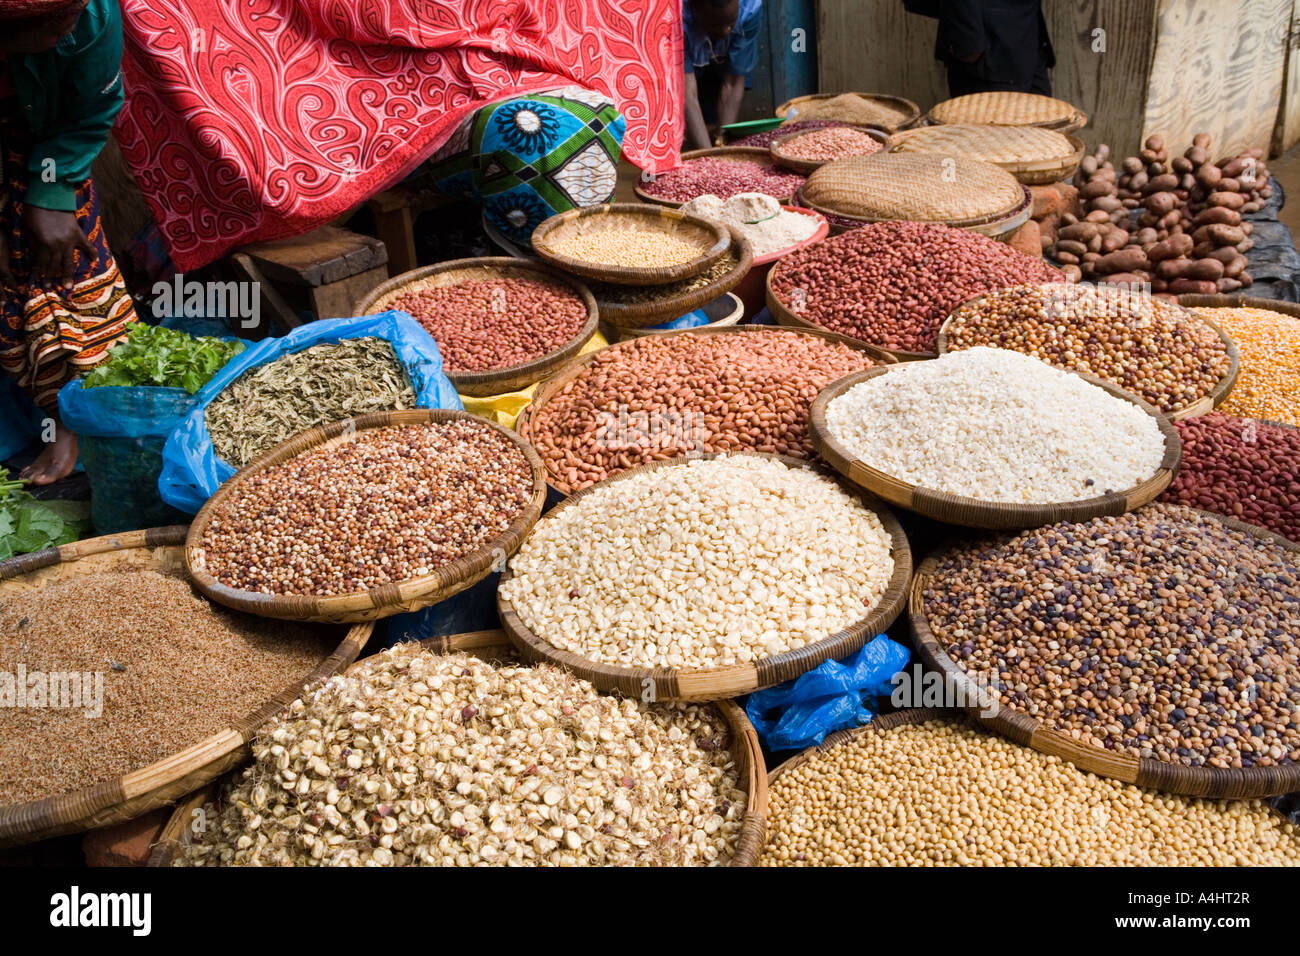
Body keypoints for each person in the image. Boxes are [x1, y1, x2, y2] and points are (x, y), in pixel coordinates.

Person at [0, 0, 137, 485]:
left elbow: (92, 109)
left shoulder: (91, 13)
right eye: (51, 27)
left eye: (70, 19)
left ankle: (68, 418)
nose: (69, 29)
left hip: (52, 145)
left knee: (67, 263)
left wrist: (52, 191)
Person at [908, 1, 1055, 97]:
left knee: (1043, 130)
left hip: (1030, 41)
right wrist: (970, 46)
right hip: (988, 54)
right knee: (990, 134)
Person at [682, 0, 763, 151]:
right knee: (690, 128)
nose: (726, 31)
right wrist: (708, 156)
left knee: (717, 126)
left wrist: (722, 144)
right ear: (694, 10)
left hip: (721, 62)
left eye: (732, 22)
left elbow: (732, 83)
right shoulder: (677, 19)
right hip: (687, 54)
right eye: (715, 25)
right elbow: (687, 95)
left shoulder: (750, 7)